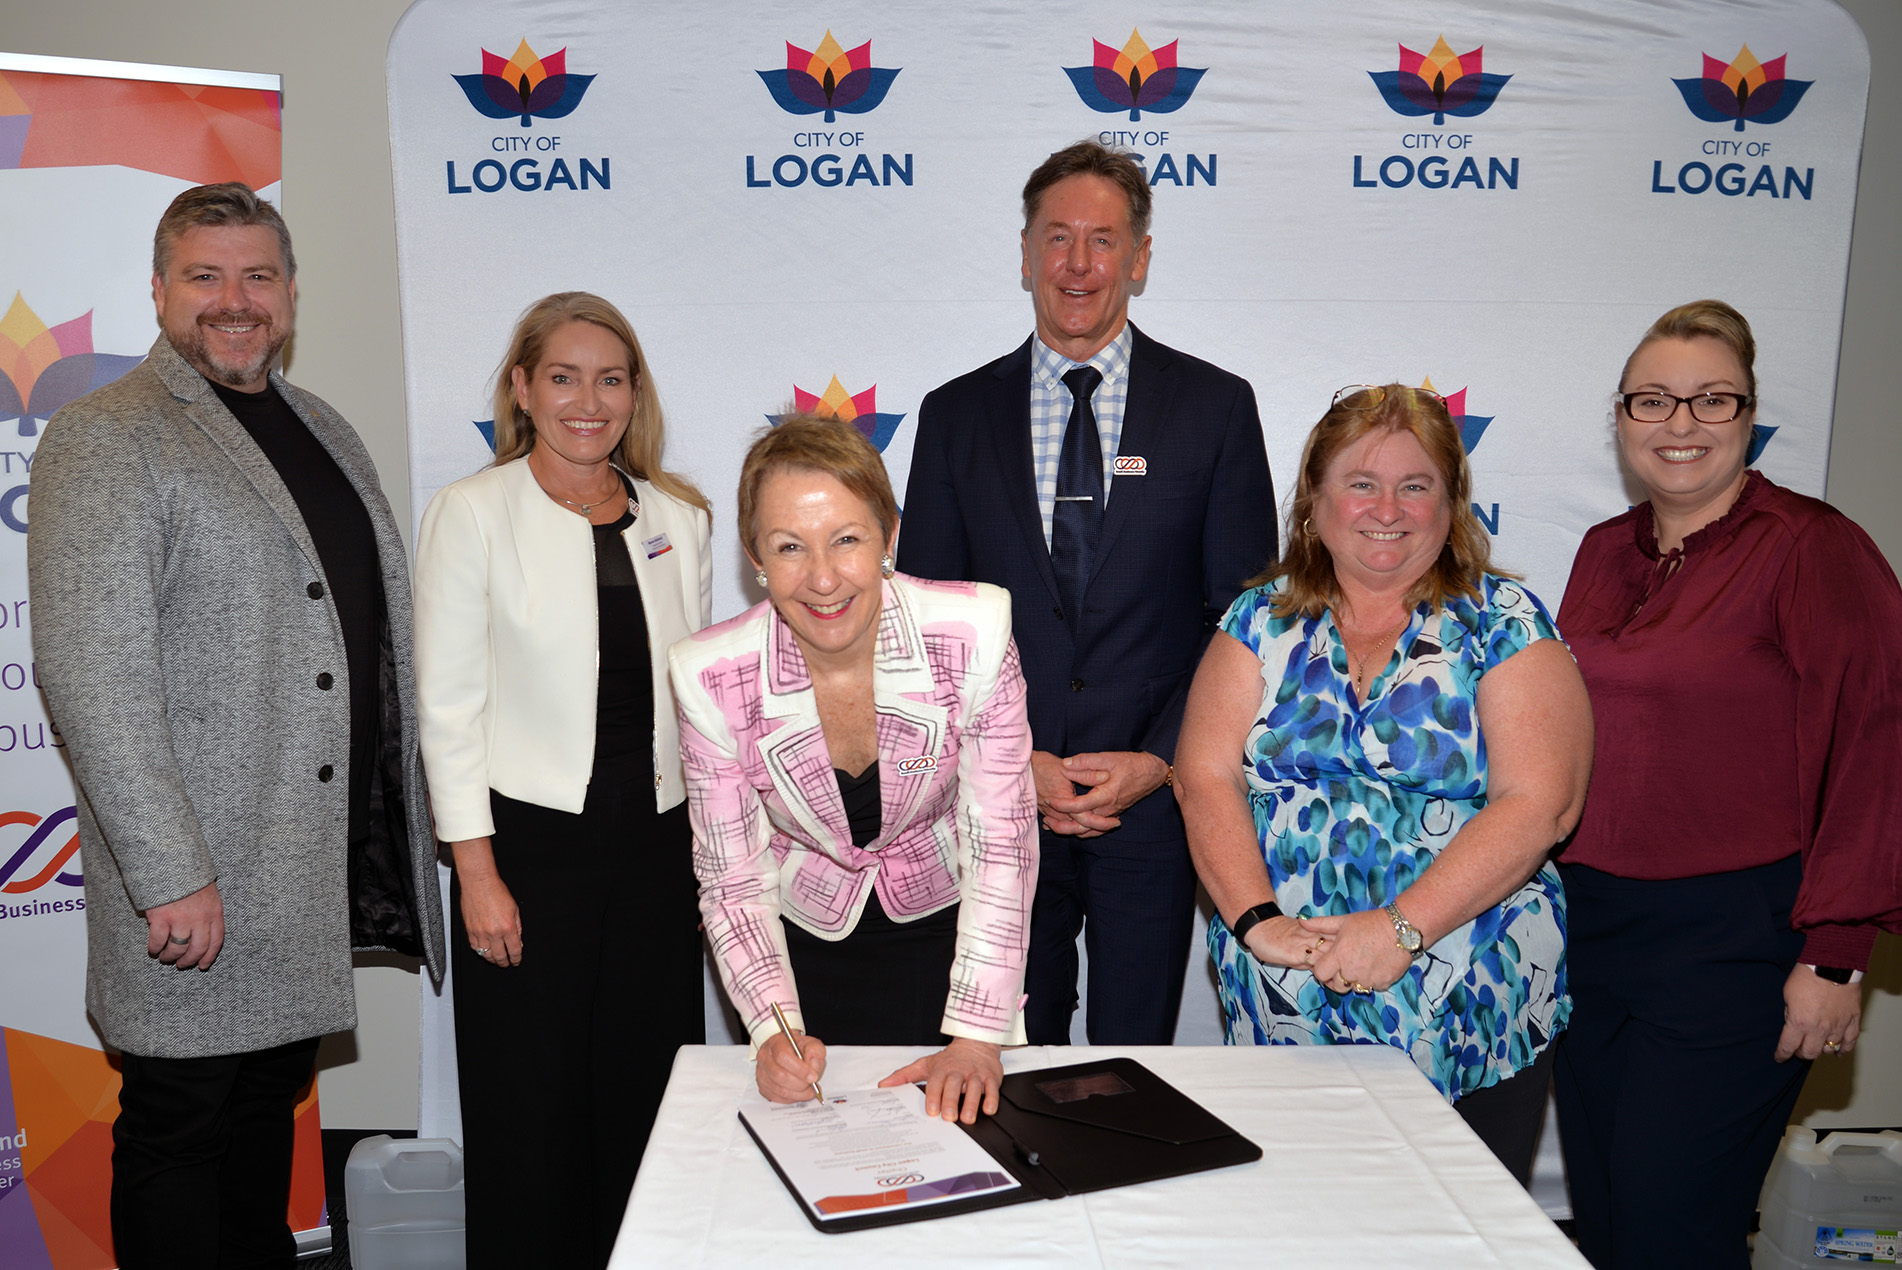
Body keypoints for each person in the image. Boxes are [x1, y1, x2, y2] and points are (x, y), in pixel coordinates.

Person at [27, 182, 445, 1268]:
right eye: (205, 276)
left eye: (257, 276)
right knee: (179, 1127)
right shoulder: (106, 435)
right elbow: (92, 669)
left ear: (291, 294)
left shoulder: (321, 426)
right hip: (196, 877)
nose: (235, 300)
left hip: (296, 868)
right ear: (160, 291)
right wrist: (168, 870)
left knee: (265, 1116)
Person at [898, 140, 1276, 1045]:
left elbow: (1242, 622)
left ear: (1140, 259)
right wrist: (1008, 762)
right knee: (1004, 1059)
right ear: (1024, 252)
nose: (1077, 264)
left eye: (1102, 240)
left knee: (1136, 1066)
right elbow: (923, 621)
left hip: (1151, 803)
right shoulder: (954, 415)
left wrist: (1164, 761)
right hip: (1000, 804)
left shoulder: (1216, 407)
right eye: (1056, 238)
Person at [1553, 300, 1902, 1269]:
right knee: (1612, 1223)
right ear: (1621, 418)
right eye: (1653, 400)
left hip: (1737, 945)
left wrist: (1836, 953)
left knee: (1676, 1232)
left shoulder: (1811, 547)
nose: (1681, 423)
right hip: (1593, 934)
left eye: (1712, 399)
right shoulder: (1600, 551)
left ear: (1749, 416)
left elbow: (1882, 744)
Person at [1174, 383, 1592, 1184]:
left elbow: (1542, 804)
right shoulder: (1258, 620)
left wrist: (1400, 930)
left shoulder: (1504, 621)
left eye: (1416, 485)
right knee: (1304, 1224)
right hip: (1287, 995)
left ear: (1452, 502)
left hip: (1466, 997)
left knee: (1457, 1234)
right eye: (1361, 483)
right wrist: (1257, 922)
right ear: (1314, 503)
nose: (1387, 509)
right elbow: (1204, 775)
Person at [412, 292, 712, 1269]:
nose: (590, 399)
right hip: (526, 853)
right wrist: (477, 870)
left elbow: (700, 702)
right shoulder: (471, 513)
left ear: (636, 394)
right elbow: (448, 707)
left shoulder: (679, 517)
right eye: (564, 376)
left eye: (611, 378)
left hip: (660, 855)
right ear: (522, 389)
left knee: (647, 1100)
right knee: (528, 1114)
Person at [670, 416, 1038, 1121]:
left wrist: (977, 1033)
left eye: (846, 539)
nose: (823, 578)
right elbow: (732, 878)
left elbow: (1003, 843)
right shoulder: (709, 674)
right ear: (755, 556)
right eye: (789, 547)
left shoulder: (973, 630)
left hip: (952, 935)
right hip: (803, 950)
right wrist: (773, 1030)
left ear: (888, 536)